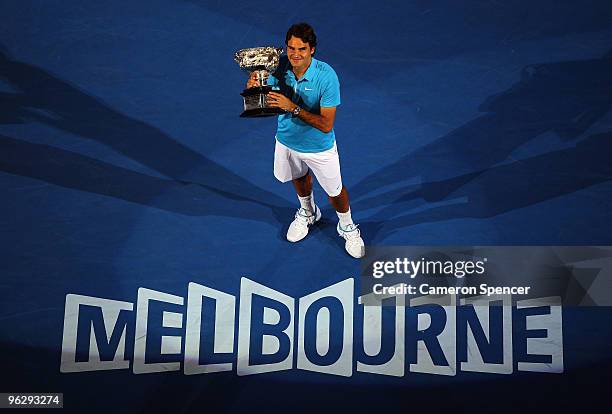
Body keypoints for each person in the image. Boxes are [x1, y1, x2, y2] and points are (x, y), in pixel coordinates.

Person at [246, 23, 364, 258]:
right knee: (298, 177)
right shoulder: (277, 67)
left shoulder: (327, 77)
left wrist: (293, 108)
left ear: (312, 49)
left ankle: (347, 225)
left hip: (319, 147)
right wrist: (255, 88)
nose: (295, 54)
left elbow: (326, 124)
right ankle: (308, 211)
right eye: (291, 48)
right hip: (287, 140)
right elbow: (265, 102)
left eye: (301, 49)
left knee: (335, 191)